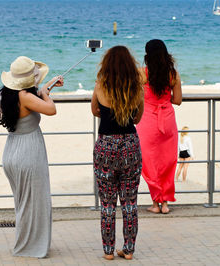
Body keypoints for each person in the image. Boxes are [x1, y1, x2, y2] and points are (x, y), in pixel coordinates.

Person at [0, 56, 64, 258]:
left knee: (23, 203)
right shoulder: (25, 96)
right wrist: (45, 95)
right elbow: (51, 109)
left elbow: (34, 98)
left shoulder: (6, 94)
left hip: (12, 150)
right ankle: (29, 247)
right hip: (28, 152)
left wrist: (45, 89)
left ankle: (26, 243)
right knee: (34, 202)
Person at [91, 46, 144, 260]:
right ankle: (129, 250)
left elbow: (94, 110)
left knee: (107, 203)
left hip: (106, 146)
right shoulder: (136, 87)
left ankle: (108, 251)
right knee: (130, 201)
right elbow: (138, 118)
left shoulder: (100, 85)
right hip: (130, 144)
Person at [136, 39, 182, 215]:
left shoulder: (142, 73)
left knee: (149, 162)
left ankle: (155, 203)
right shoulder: (173, 74)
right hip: (168, 119)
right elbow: (177, 100)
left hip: (147, 120)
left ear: (147, 55)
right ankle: (165, 204)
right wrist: (163, 100)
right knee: (168, 161)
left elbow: (137, 96)